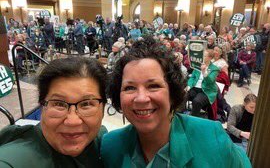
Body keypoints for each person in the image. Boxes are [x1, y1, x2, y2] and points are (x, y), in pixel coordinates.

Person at [101, 39, 251, 167]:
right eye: (130, 87)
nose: (141, 98)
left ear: (172, 93)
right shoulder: (111, 145)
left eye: (153, 86)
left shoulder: (211, 137)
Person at [0, 57, 108, 167]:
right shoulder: (15, 158)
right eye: (59, 104)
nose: (73, 121)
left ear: (103, 109)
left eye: (86, 104)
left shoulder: (104, 142)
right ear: (42, 107)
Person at [186, 49, 220, 117]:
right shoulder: (198, 65)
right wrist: (189, 86)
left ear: (210, 58)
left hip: (206, 90)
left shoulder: (214, 69)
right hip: (195, 87)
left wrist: (204, 72)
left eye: (204, 56)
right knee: (182, 95)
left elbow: (210, 81)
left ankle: (193, 119)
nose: (202, 57)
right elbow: (192, 77)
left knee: (197, 101)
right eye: (202, 55)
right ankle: (179, 116)